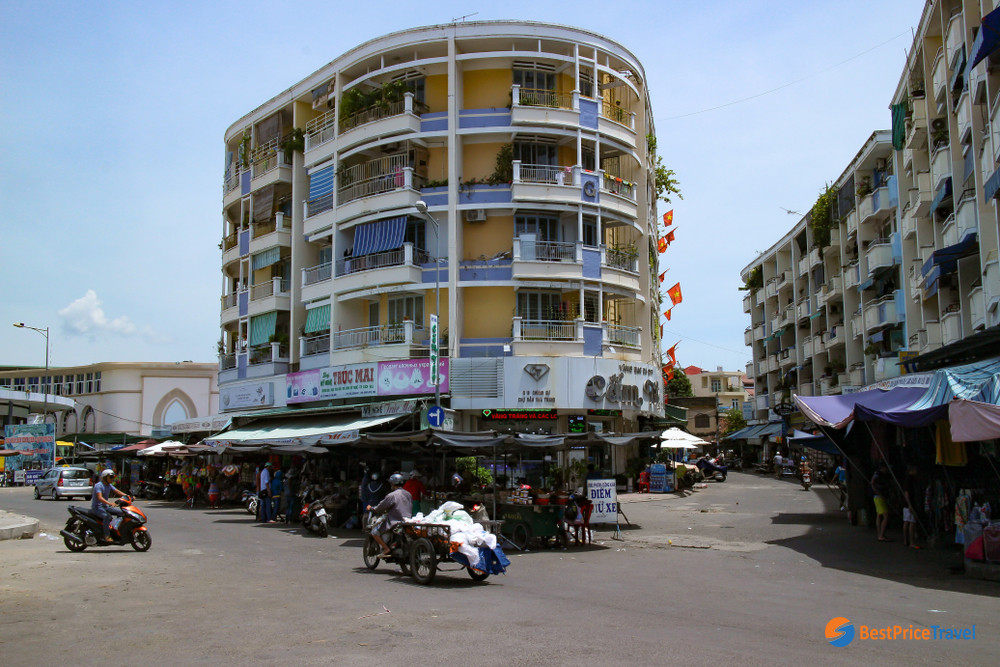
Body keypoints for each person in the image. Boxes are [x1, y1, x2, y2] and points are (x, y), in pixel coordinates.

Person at [367, 473, 412, 557]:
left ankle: (386, 548)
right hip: (407, 520)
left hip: (394, 521)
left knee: (374, 532)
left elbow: (380, 507)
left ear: (393, 484)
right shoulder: (408, 494)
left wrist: (372, 508)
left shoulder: (392, 495)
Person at [91, 469, 127, 543]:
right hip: (97, 508)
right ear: (105, 478)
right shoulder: (99, 486)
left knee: (122, 513)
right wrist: (110, 503)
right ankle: (106, 536)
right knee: (106, 516)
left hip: (105, 507)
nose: (112, 479)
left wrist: (128, 496)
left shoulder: (109, 485)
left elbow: (117, 491)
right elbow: (100, 498)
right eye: (110, 477)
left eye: (113, 477)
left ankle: (116, 530)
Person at [871, 462, 892, 542]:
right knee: (885, 516)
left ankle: (880, 533)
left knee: (879, 515)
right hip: (879, 496)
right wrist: (877, 491)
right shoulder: (878, 475)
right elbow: (872, 482)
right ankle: (881, 535)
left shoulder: (880, 475)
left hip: (878, 496)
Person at [902, 465, 921, 549]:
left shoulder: (907, 479)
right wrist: (910, 504)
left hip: (906, 503)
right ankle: (912, 542)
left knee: (906, 521)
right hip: (910, 503)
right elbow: (907, 493)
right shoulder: (910, 480)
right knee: (912, 522)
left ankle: (906, 540)